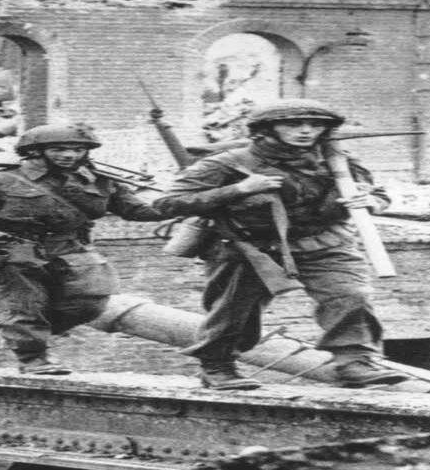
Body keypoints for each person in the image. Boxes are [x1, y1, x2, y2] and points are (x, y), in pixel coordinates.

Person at [143, 100, 404, 391]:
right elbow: (166, 202)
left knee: (350, 295)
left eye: (316, 125)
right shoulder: (228, 163)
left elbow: (377, 192)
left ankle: (355, 362)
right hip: (251, 247)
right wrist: (240, 189)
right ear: (267, 129)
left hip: (325, 242)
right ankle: (217, 366)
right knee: (235, 310)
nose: (306, 131)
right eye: (293, 124)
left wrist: (372, 201)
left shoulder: (337, 159)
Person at [0, 121, 164, 375]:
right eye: (58, 149)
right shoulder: (1, 180)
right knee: (22, 305)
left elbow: (136, 210)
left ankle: (24, 331)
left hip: (69, 249)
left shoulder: (99, 181)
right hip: (12, 251)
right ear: (37, 151)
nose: (69, 155)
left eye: (77, 149)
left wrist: (185, 204)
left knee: (90, 304)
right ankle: (32, 358)